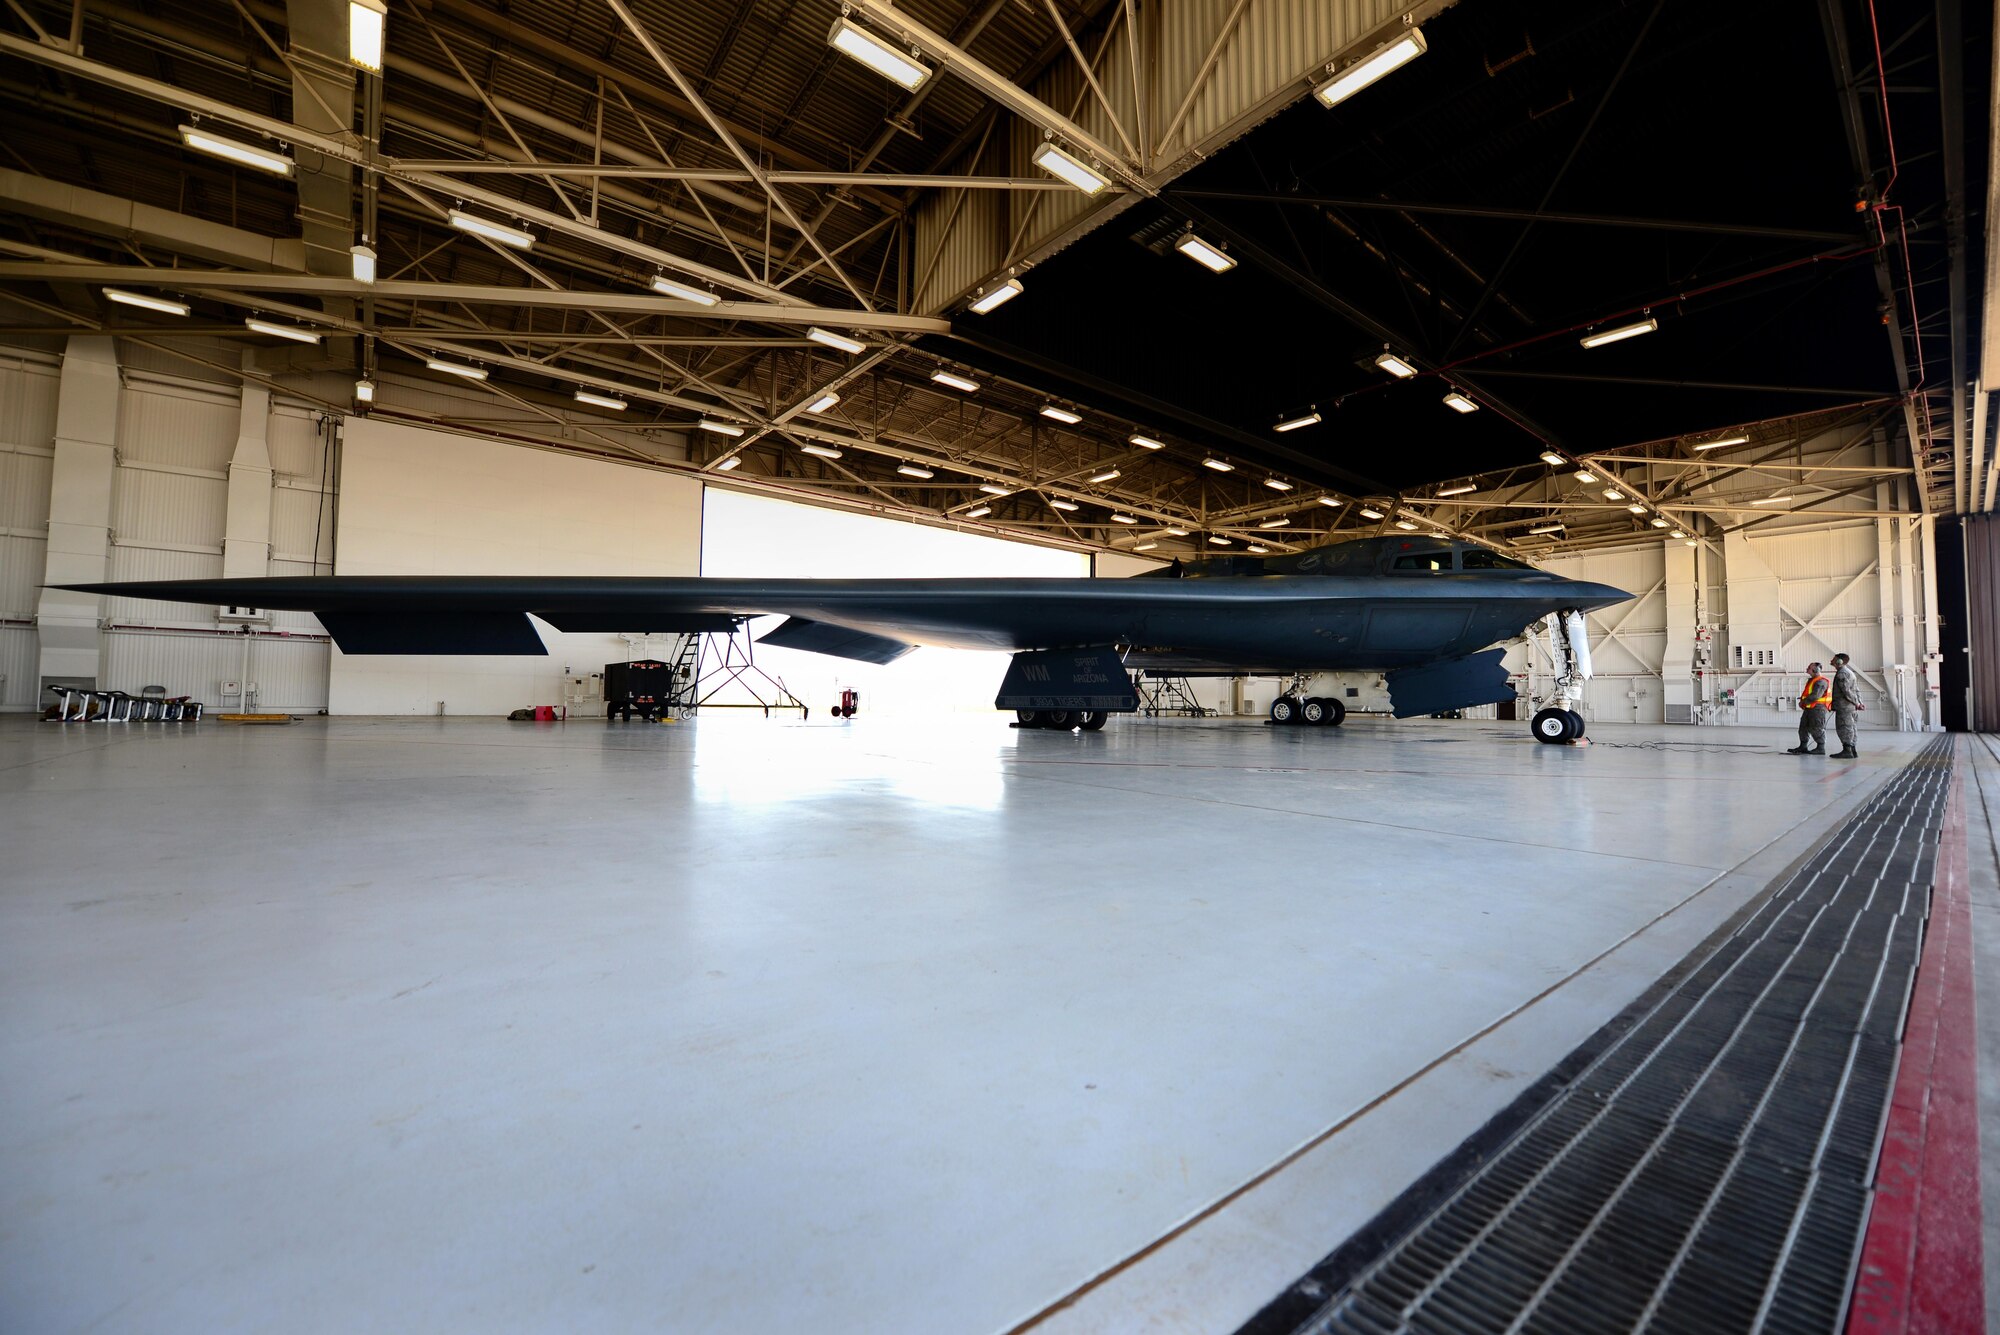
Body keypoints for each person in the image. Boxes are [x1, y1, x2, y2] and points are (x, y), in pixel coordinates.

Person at [1787, 661, 1831, 754]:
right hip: (1809, 708)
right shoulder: (1812, 680)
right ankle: (1803, 746)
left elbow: (1815, 696)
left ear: (1815, 670)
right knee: (1803, 727)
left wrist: (1803, 702)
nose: (1807, 669)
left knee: (1817, 727)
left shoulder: (1821, 681)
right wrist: (1804, 702)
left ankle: (1820, 748)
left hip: (1818, 708)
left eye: (1809, 668)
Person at [1830, 652, 1864, 758]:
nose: (1831, 660)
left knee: (1844, 727)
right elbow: (1856, 689)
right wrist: (1859, 702)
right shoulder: (1850, 672)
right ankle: (1853, 750)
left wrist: (1857, 703)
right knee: (1852, 727)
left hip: (1845, 707)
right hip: (1851, 707)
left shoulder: (1842, 674)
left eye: (1834, 659)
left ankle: (1847, 751)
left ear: (1839, 661)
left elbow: (1847, 691)